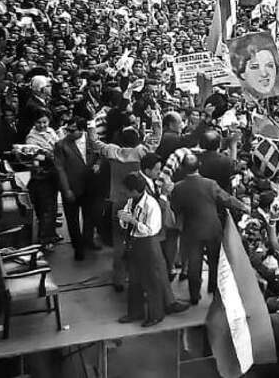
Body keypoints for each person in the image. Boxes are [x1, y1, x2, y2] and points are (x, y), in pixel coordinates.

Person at [87, 110, 162, 291]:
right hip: (139, 202)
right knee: (141, 239)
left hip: (118, 202)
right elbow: (156, 138)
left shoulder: (112, 151)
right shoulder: (142, 152)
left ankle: (119, 279)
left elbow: (94, 143)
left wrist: (91, 123)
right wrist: (155, 118)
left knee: (119, 241)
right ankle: (139, 276)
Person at [169, 153, 249, 305]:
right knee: (214, 261)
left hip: (192, 231)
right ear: (199, 166)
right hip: (213, 228)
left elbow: (175, 207)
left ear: (183, 168)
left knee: (194, 264)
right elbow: (226, 199)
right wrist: (243, 206)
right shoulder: (210, 184)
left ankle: (194, 296)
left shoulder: (178, 188)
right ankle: (212, 287)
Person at [117, 173, 169, 327]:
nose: (124, 192)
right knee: (134, 280)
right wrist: (123, 219)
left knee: (151, 281)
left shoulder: (151, 205)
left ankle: (156, 315)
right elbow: (125, 219)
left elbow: (151, 229)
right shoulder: (131, 201)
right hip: (134, 242)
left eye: (126, 190)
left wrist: (132, 221)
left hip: (147, 244)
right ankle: (135, 312)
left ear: (134, 190)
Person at [53, 115, 101, 260]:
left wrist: (98, 163)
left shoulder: (93, 141)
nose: (69, 133)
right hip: (72, 187)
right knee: (72, 220)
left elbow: (100, 155)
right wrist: (66, 189)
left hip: (90, 186)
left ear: (82, 131)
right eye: (68, 129)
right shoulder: (61, 145)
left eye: (72, 130)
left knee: (90, 216)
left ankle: (88, 240)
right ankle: (77, 247)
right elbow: (59, 169)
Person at [24, 108, 61, 251]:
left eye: (45, 122)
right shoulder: (31, 138)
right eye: (39, 123)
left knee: (52, 205)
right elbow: (34, 157)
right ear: (34, 123)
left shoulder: (51, 132)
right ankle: (45, 239)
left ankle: (52, 234)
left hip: (54, 173)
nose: (42, 125)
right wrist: (47, 156)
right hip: (41, 175)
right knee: (45, 207)